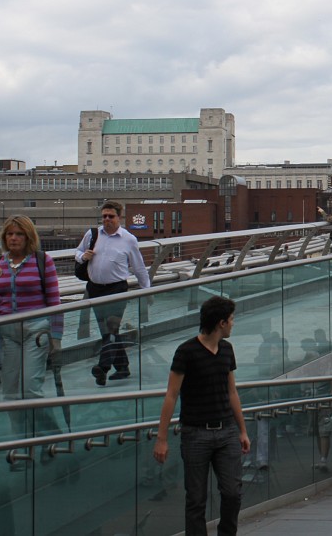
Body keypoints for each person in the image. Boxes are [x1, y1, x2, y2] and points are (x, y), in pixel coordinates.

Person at [153, 297, 251, 536]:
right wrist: (162, 438)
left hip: (226, 431)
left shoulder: (227, 350)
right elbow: (171, 395)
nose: (233, 324)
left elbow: (232, 392)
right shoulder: (186, 351)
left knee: (232, 492)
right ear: (221, 323)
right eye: (231, 319)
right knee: (196, 499)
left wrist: (242, 430)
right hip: (195, 433)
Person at [0, 216, 62, 436]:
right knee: (11, 392)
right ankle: (19, 440)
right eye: (9, 234)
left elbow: (54, 300)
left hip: (36, 330)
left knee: (30, 389)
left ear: (28, 236)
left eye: (19, 234)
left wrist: (56, 336)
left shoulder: (43, 261)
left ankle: (50, 433)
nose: (13, 238)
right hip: (7, 334)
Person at [75, 200, 151, 385]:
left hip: (117, 288)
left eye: (111, 216)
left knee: (111, 327)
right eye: (104, 216)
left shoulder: (128, 239)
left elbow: (139, 267)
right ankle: (123, 367)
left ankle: (102, 368)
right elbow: (76, 252)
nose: (107, 220)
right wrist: (83, 256)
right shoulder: (92, 234)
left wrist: (147, 290)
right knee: (107, 331)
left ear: (119, 217)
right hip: (94, 288)